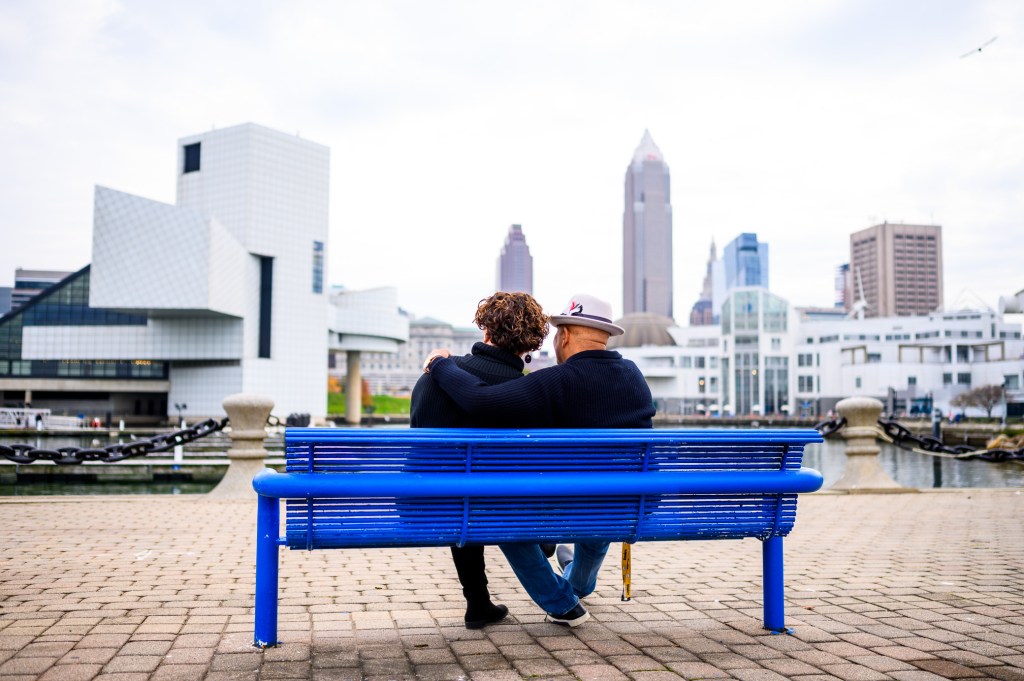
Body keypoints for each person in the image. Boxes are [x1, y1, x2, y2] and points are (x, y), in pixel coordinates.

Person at [422, 293, 654, 627]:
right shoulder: (634, 375)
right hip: (632, 504)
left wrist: (440, 363)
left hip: (576, 507)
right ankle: (579, 582)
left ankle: (562, 604)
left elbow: (480, 399)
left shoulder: (558, 380)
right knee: (601, 506)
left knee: (500, 516)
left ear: (564, 336)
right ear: (604, 337)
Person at [410, 291, 549, 629]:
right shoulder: (525, 390)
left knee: (462, 494)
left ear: (485, 330)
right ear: (529, 346)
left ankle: (478, 603)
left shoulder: (434, 374)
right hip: (495, 507)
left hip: (425, 504)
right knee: (483, 493)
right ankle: (545, 556)